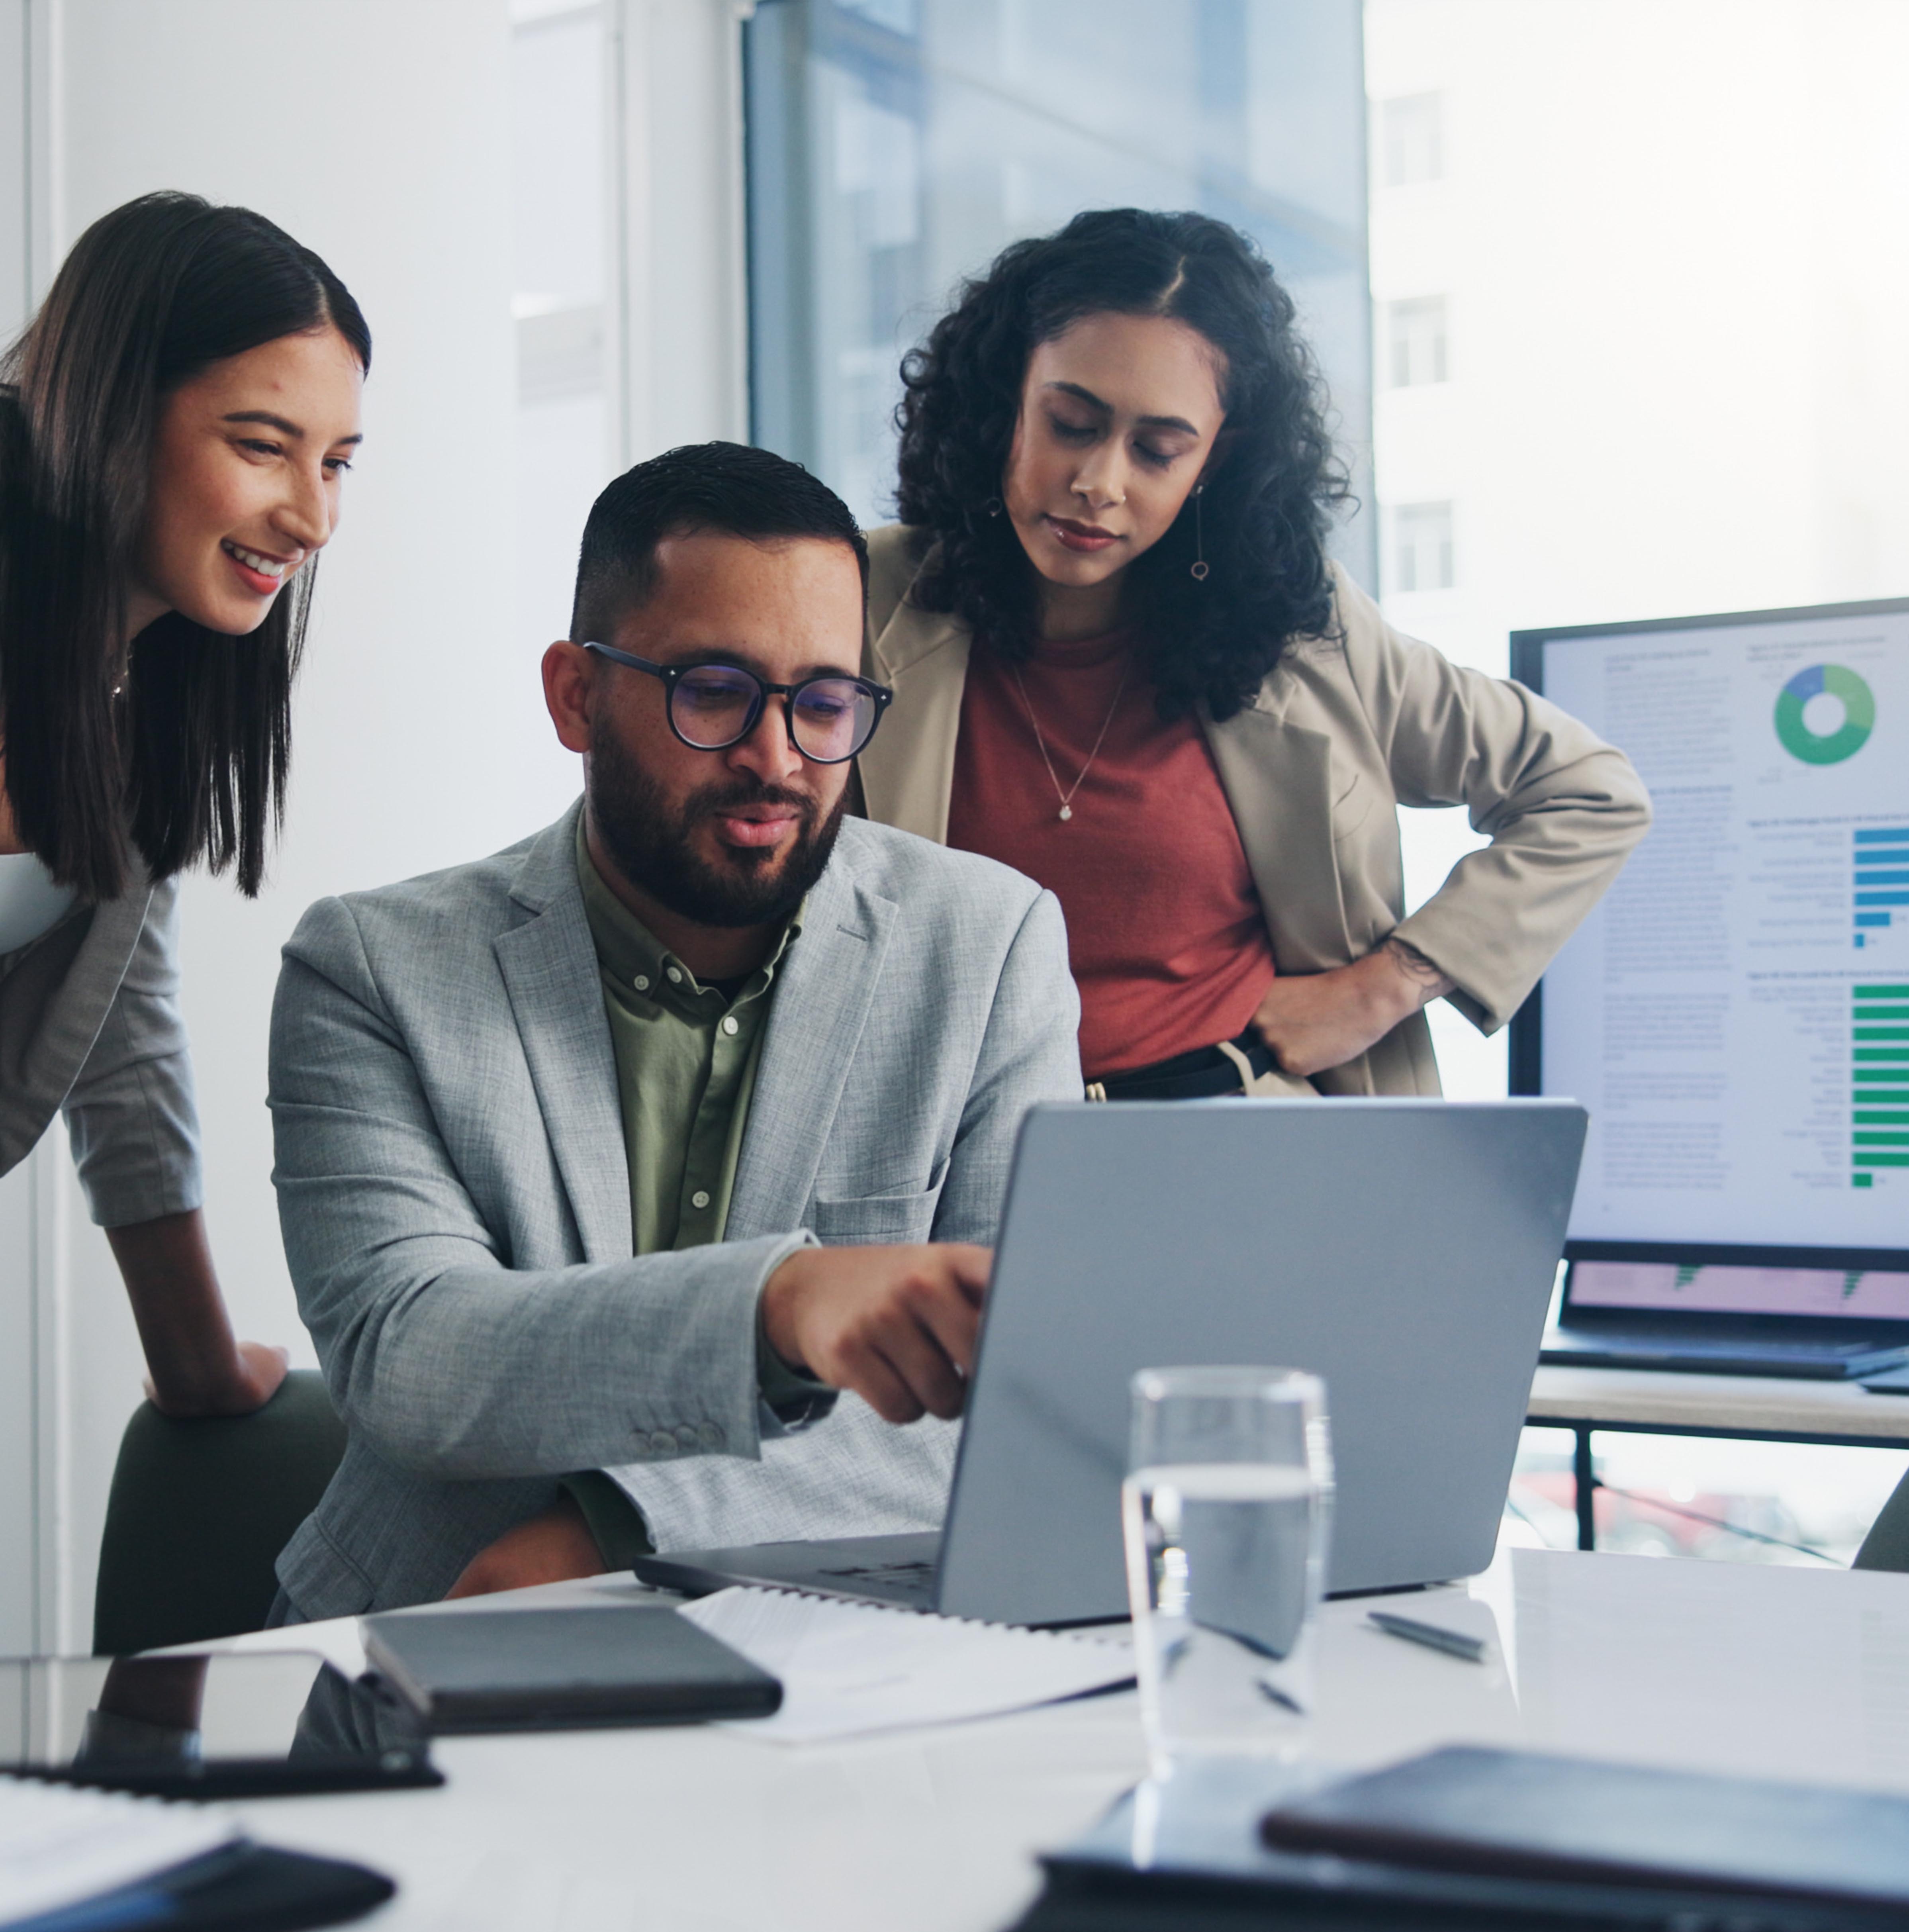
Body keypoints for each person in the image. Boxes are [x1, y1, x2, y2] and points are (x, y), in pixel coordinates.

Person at [264, 443, 1080, 1620]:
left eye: (825, 701)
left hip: (842, 1655)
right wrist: (782, 1306)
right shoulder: (374, 969)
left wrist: (615, 1527)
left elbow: (1024, 1397)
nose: (778, 758)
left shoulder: (990, 948)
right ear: (575, 697)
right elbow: (414, 1359)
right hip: (418, 1637)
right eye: (713, 691)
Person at [858, 208, 1651, 1100]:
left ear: (1215, 462)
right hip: (952, 1160)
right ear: (1004, 400)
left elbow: (1587, 792)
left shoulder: (1300, 629)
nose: (1098, 484)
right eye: (1071, 424)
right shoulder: (853, 603)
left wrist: (1383, 985)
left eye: (1157, 450)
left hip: (1248, 1141)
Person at [0, 191, 368, 1415]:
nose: (310, 517)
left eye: (335, 464)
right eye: (262, 447)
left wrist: (200, 1365)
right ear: (112, 407)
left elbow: (115, 1028)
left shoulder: (134, 682)